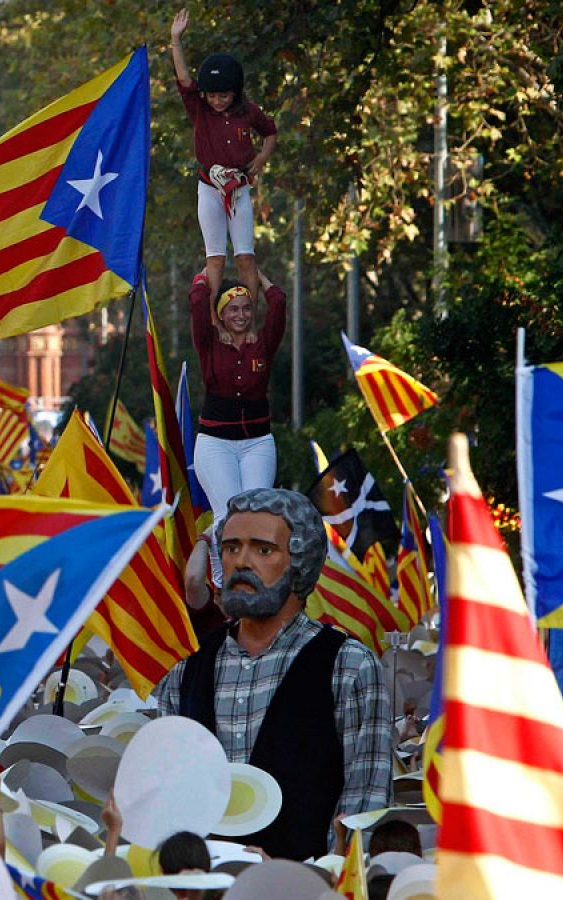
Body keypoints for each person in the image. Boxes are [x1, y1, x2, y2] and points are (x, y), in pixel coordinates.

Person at [156, 488, 391, 861]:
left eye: (263, 550)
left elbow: (363, 813)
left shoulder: (349, 668)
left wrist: (293, 880)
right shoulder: (186, 670)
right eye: (231, 548)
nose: (241, 562)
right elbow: (164, 803)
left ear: (300, 561)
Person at [170, 9, 278, 301]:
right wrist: (175, 40)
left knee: (245, 257)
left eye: (224, 96)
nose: (217, 101)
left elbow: (270, 132)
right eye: (212, 95)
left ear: (236, 93)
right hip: (209, 188)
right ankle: (217, 321)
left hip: (239, 189)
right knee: (215, 258)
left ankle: (249, 319)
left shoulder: (249, 112)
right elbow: (184, 80)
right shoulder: (200, 110)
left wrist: (261, 159)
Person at [188, 265, 285, 523]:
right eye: (233, 309)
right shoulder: (209, 343)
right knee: (227, 516)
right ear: (221, 314)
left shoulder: (262, 343)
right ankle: (220, 564)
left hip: (258, 441)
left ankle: (246, 566)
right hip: (215, 443)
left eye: (246, 308)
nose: (240, 315)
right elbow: (197, 304)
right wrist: (206, 274)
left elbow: (278, 303)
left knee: (256, 515)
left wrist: (258, 275)